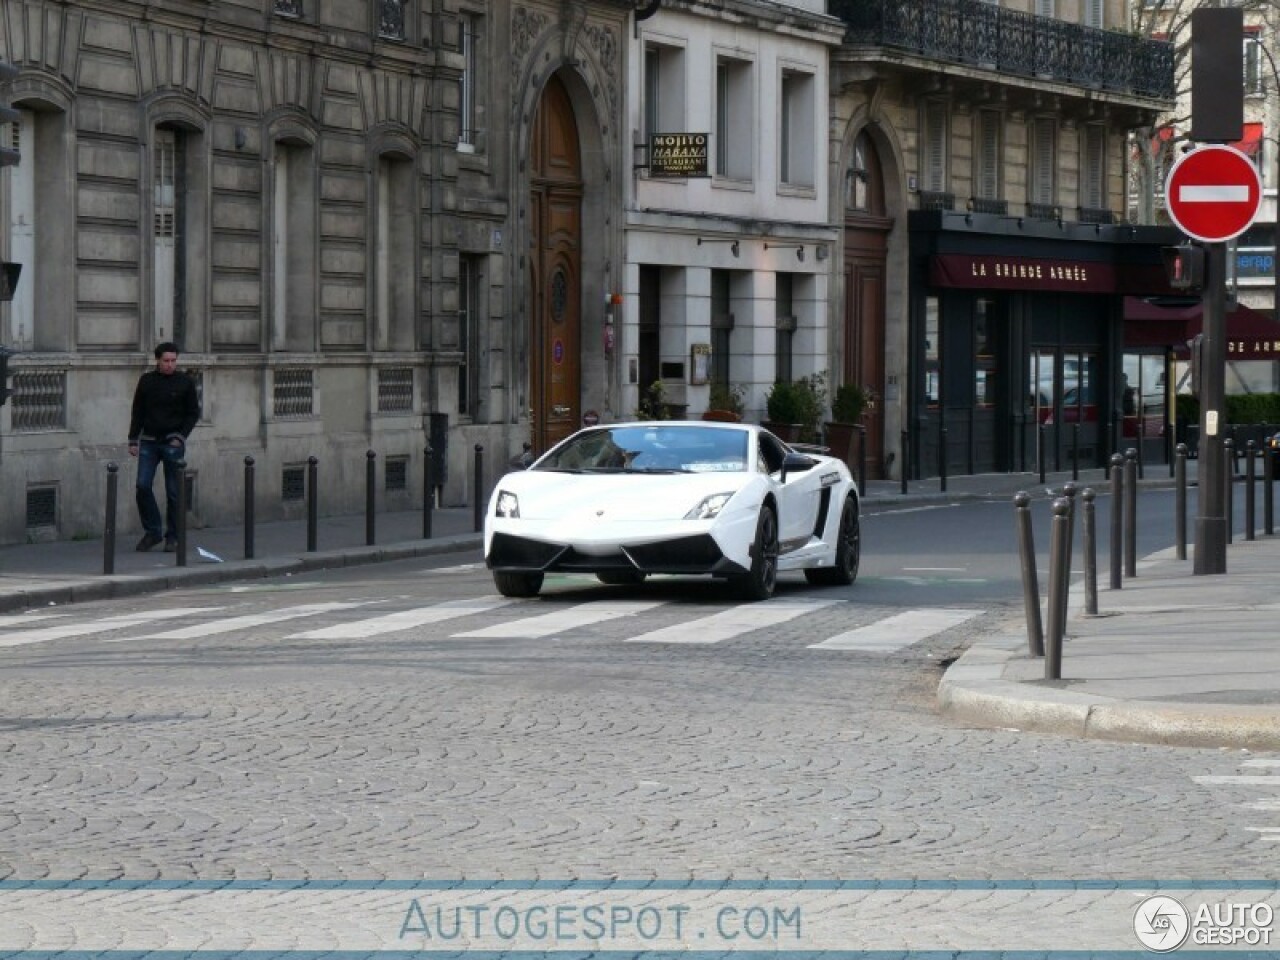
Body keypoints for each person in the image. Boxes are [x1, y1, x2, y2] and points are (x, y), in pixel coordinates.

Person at [127, 342, 201, 552]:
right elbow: (138, 410)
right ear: (158, 360)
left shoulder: (185, 382)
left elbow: (193, 413)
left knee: (174, 492)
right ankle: (153, 531)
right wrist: (133, 438)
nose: (170, 365)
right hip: (149, 440)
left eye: (173, 361)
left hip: (172, 442)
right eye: (166, 361)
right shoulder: (147, 381)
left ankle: (173, 537)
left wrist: (181, 437)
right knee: (142, 486)